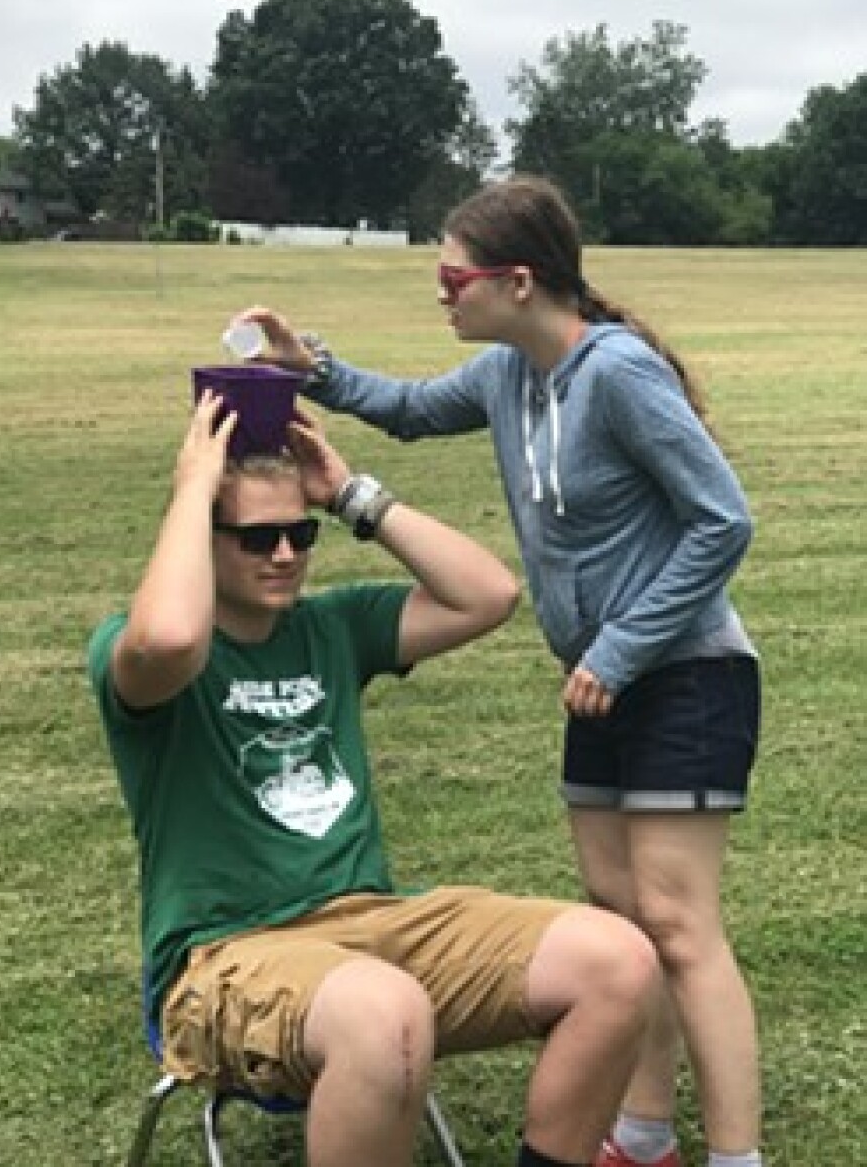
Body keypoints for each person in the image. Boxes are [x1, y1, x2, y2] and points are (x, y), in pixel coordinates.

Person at [232, 174, 764, 1167]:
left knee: (679, 925)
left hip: (684, 671)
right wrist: (316, 369)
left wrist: (618, 646)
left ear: (517, 281)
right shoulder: (505, 377)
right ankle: (642, 1137)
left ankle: (737, 1155)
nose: (441, 293)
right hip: (600, 683)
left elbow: (722, 519)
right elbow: (405, 408)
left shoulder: (617, 374)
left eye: (451, 275)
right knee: (619, 921)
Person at [87, 388, 659, 1167]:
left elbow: (488, 594)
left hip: (376, 924)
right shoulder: (136, 651)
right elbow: (170, 635)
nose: (285, 554)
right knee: (383, 1008)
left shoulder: (334, 626)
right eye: (257, 538)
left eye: (299, 532)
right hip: (223, 957)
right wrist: (192, 486)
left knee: (617, 961)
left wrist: (353, 496)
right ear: (202, 537)